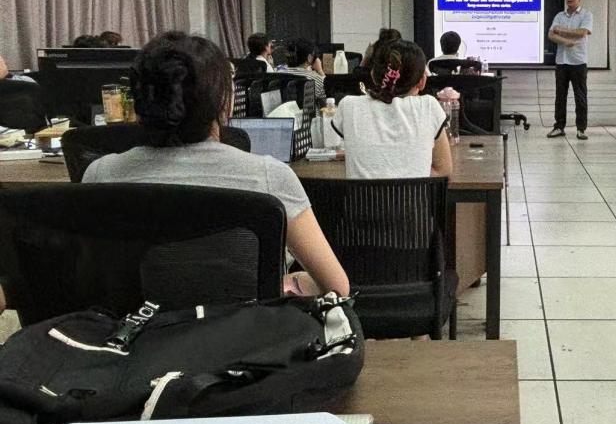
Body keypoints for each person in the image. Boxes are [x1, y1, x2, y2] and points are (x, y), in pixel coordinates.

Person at [82, 31, 350, 297]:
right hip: (246, 324)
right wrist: (287, 282)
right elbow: (337, 287)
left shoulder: (99, 174)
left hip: (139, 324)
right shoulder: (269, 177)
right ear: (225, 102)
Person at [331, 39, 452, 179]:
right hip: (414, 194)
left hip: (361, 194)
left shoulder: (348, 106)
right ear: (422, 81)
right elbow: (444, 172)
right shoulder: (429, 106)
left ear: (373, 75)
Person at [546, 0, 593, 140]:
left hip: (578, 61)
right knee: (560, 96)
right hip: (562, 61)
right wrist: (566, 41)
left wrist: (561, 30)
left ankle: (581, 129)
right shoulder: (560, 16)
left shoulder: (586, 14)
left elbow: (582, 32)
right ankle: (559, 127)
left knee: (580, 96)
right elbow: (551, 35)